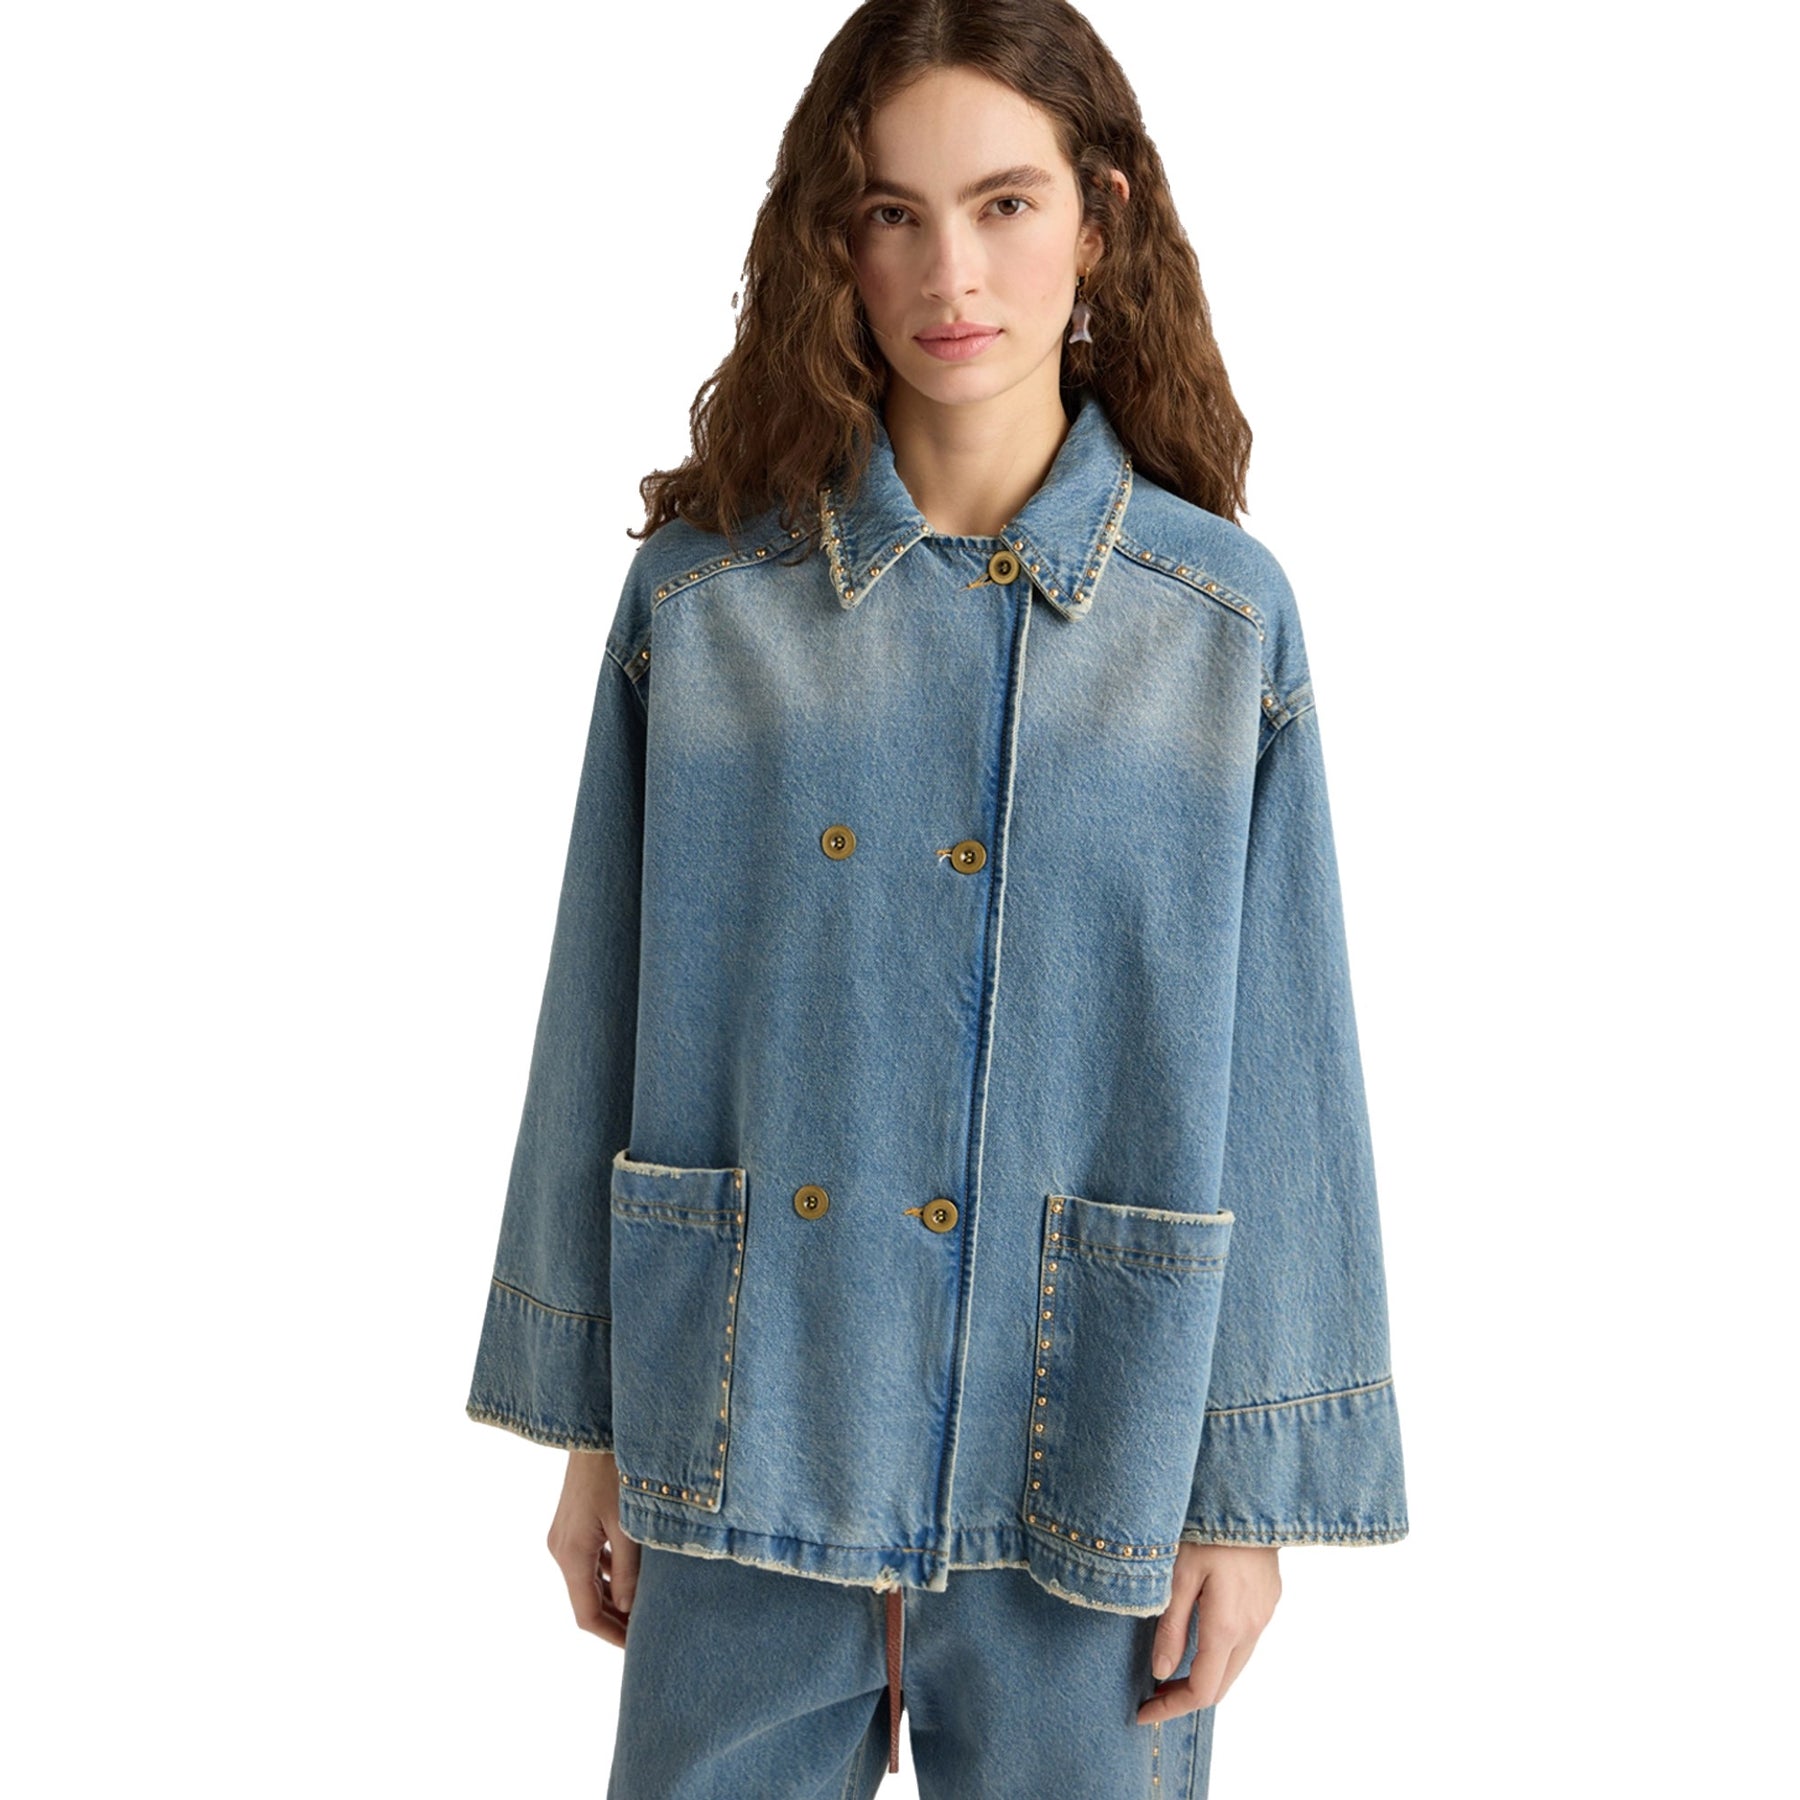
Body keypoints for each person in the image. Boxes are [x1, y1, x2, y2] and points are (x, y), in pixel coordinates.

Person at [466, 2, 1409, 1793]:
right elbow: (601, 1004)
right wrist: (593, 1422)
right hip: (746, 1411)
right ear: (832, 240)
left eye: (1004, 204)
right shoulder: (706, 605)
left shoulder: (1218, 625)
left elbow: (1288, 1071)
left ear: (1100, 221)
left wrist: (1248, 1494)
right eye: (891, 213)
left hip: (1094, 1440)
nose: (950, 273)